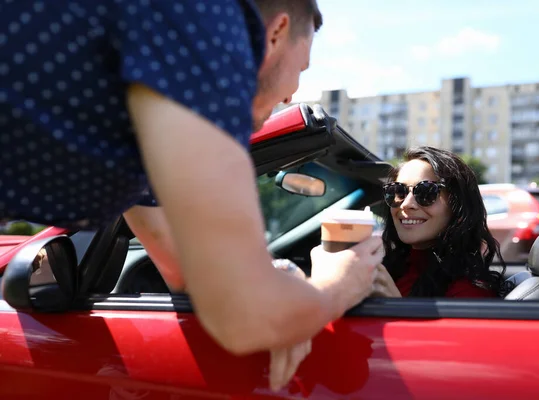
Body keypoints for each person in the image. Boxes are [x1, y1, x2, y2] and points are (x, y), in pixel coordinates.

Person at [0, 0, 383, 374]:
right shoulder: (208, 24)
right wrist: (337, 286)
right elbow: (243, 317)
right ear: (276, 33)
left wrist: (284, 296)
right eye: (302, 67)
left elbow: (183, 268)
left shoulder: (156, 86)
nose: (290, 95)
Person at [370, 146, 507, 298]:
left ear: (457, 205)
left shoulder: (469, 293)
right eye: (398, 191)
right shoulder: (390, 269)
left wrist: (394, 304)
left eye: (426, 192)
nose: (406, 204)